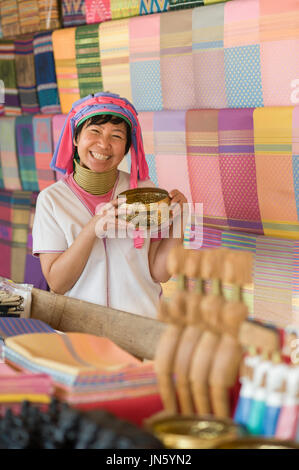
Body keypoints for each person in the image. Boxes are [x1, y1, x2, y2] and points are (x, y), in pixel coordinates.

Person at [32, 92, 187, 318]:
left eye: (116, 136)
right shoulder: (52, 200)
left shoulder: (143, 190)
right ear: (76, 138)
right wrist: (93, 228)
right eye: (94, 131)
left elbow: (159, 271)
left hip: (143, 327)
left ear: (126, 148)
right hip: (82, 334)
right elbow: (57, 283)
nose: (104, 144)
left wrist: (179, 222)